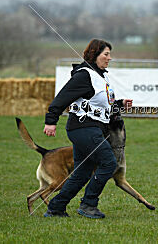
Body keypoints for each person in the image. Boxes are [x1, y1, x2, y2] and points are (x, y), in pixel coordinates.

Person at [43, 39, 132, 219]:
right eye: (106, 54)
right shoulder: (84, 75)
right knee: (109, 163)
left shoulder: (101, 77)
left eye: (109, 54)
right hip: (83, 128)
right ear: (95, 54)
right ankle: (89, 204)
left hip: (91, 129)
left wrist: (120, 104)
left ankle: (56, 207)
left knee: (82, 172)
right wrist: (51, 120)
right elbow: (62, 98)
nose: (109, 58)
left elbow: (100, 106)